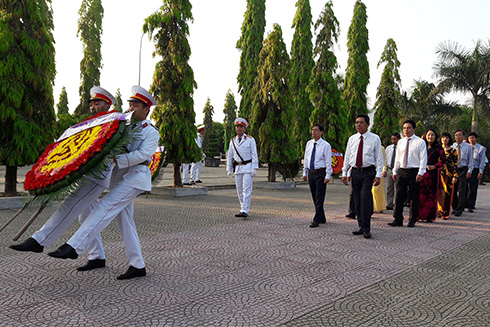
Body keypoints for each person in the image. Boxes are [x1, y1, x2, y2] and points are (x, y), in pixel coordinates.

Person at [47, 86, 159, 280]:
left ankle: (74, 246)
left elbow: (144, 155)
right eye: (130, 105)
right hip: (119, 178)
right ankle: (137, 264)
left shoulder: (151, 132)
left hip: (135, 178)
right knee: (126, 223)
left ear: (146, 109)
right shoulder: (123, 126)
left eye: (135, 105)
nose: (130, 109)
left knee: (104, 208)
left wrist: (116, 160)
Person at [10, 86, 116, 272]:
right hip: (85, 174)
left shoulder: (114, 121)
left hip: (97, 177)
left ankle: (39, 240)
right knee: (85, 217)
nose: (93, 107)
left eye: (97, 103)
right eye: (91, 103)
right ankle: (97, 256)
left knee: (70, 204)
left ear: (107, 105)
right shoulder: (89, 124)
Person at [342, 114, 384, 239]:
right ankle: (360, 225)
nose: (358, 125)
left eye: (361, 122)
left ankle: (367, 228)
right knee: (357, 200)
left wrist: (378, 175)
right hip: (355, 172)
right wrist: (345, 173)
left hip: (368, 172)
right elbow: (348, 157)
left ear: (367, 124)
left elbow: (379, 158)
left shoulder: (374, 138)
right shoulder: (352, 139)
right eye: (356, 122)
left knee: (365, 198)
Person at [389, 119, 427, 228]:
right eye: (404, 128)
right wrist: (395, 170)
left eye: (409, 128)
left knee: (414, 197)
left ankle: (412, 219)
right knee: (399, 196)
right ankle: (397, 219)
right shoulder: (400, 141)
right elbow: (398, 157)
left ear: (414, 129)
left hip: (414, 171)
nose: (406, 130)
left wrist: (421, 173)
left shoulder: (420, 142)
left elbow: (423, 159)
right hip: (401, 170)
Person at [226, 118, 258, 218]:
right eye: (237, 126)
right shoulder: (232, 141)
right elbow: (230, 156)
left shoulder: (250, 140)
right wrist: (229, 169)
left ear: (245, 128)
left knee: (246, 189)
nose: (239, 128)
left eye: (241, 127)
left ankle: (245, 210)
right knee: (239, 190)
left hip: (248, 167)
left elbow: (254, 154)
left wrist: (254, 168)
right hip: (238, 168)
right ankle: (242, 207)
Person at [302, 124, 332, 228]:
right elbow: (306, 158)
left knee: (320, 196)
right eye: (312, 130)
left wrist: (328, 175)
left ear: (321, 132)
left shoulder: (326, 145)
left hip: (321, 173)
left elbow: (328, 161)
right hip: (311, 172)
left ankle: (316, 219)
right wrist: (304, 172)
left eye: (316, 130)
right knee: (314, 196)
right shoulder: (309, 143)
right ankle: (321, 217)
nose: (314, 132)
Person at [418, 129, 445, 222]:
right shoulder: (422, 146)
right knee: (419, 194)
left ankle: (429, 217)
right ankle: (418, 215)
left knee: (431, 195)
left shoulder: (438, 147)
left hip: (432, 175)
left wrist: (434, 166)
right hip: (421, 173)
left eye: (432, 135)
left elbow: (442, 161)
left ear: (435, 136)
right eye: (428, 135)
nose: (430, 137)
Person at [451, 130, 474, 217]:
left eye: (460, 135)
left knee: (462, 190)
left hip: (463, 170)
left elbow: (470, 160)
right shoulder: (452, 146)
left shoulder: (468, 147)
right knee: (453, 189)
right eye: (456, 135)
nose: (458, 137)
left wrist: (469, 171)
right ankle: (455, 206)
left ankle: (460, 209)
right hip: (454, 170)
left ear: (463, 136)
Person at [438, 133, 458, 220]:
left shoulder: (453, 151)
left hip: (448, 175)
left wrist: (455, 176)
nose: (444, 139)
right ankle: (438, 211)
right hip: (438, 174)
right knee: (438, 193)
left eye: (446, 137)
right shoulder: (437, 149)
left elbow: (456, 164)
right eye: (443, 137)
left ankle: (445, 213)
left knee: (447, 194)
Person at [466, 132, 486, 212]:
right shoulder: (466, 147)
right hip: (465, 169)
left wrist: (480, 172)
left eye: (473, 138)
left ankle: (471, 205)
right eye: (470, 138)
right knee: (464, 188)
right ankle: (464, 204)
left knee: (473, 188)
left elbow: (482, 161)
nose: (471, 139)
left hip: (475, 170)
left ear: (476, 138)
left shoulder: (481, 148)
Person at [383, 133, 401, 210]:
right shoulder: (389, 148)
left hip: (398, 170)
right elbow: (386, 159)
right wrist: (385, 169)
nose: (393, 141)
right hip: (390, 169)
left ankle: (397, 203)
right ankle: (389, 204)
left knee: (398, 188)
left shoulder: (401, 148)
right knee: (389, 188)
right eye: (392, 139)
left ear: (399, 139)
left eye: (395, 139)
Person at [372, 146, 386, 212]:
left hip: (379, 171)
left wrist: (384, 169)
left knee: (378, 189)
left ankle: (381, 206)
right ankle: (372, 206)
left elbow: (383, 159)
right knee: (371, 190)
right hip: (370, 170)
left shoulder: (381, 148)